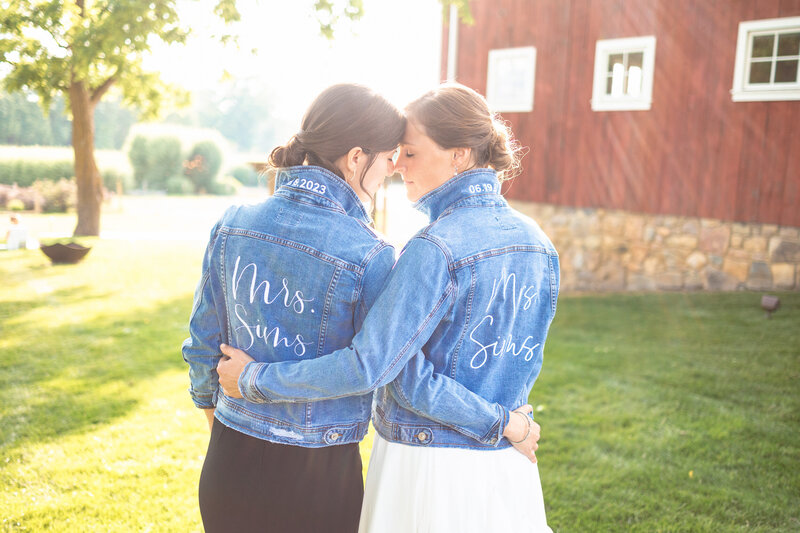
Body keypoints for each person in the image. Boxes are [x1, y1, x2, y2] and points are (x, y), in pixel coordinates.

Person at [183, 83, 535, 533]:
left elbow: (201, 347)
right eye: (390, 157)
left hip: (228, 461)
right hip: (318, 476)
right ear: (355, 159)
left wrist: (227, 421)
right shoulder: (369, 255)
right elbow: (369, 367)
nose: (393, 169)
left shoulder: (232, 223)